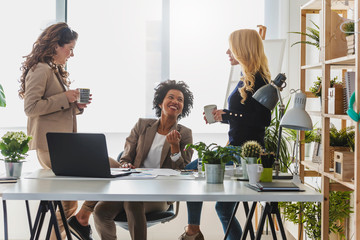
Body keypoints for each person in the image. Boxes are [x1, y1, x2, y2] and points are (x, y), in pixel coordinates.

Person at [19, 22, 120, 240]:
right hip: (51, 148)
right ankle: (82, 218)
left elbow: (56, 110)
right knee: (111, 167)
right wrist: (64, 98)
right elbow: (31, 108)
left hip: (62, 146)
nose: (71, 54)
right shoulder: (40, 69)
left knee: (67, 206)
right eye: (70, 48)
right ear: (56, 45)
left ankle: (75, 221)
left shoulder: (53, 70)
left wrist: (76, 106)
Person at [179, 29, 271, 240]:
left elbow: (263, 121)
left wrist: (230, 113)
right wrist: (225, 117)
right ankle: (193, 230)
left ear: (242, 49)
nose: (227, 51)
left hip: (244, 153)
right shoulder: (245, 78)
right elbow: (247, 118)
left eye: (231, 47)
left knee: (190, 172)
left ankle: (192, 231)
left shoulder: (261, 81)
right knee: (223, 209)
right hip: (236, 148)